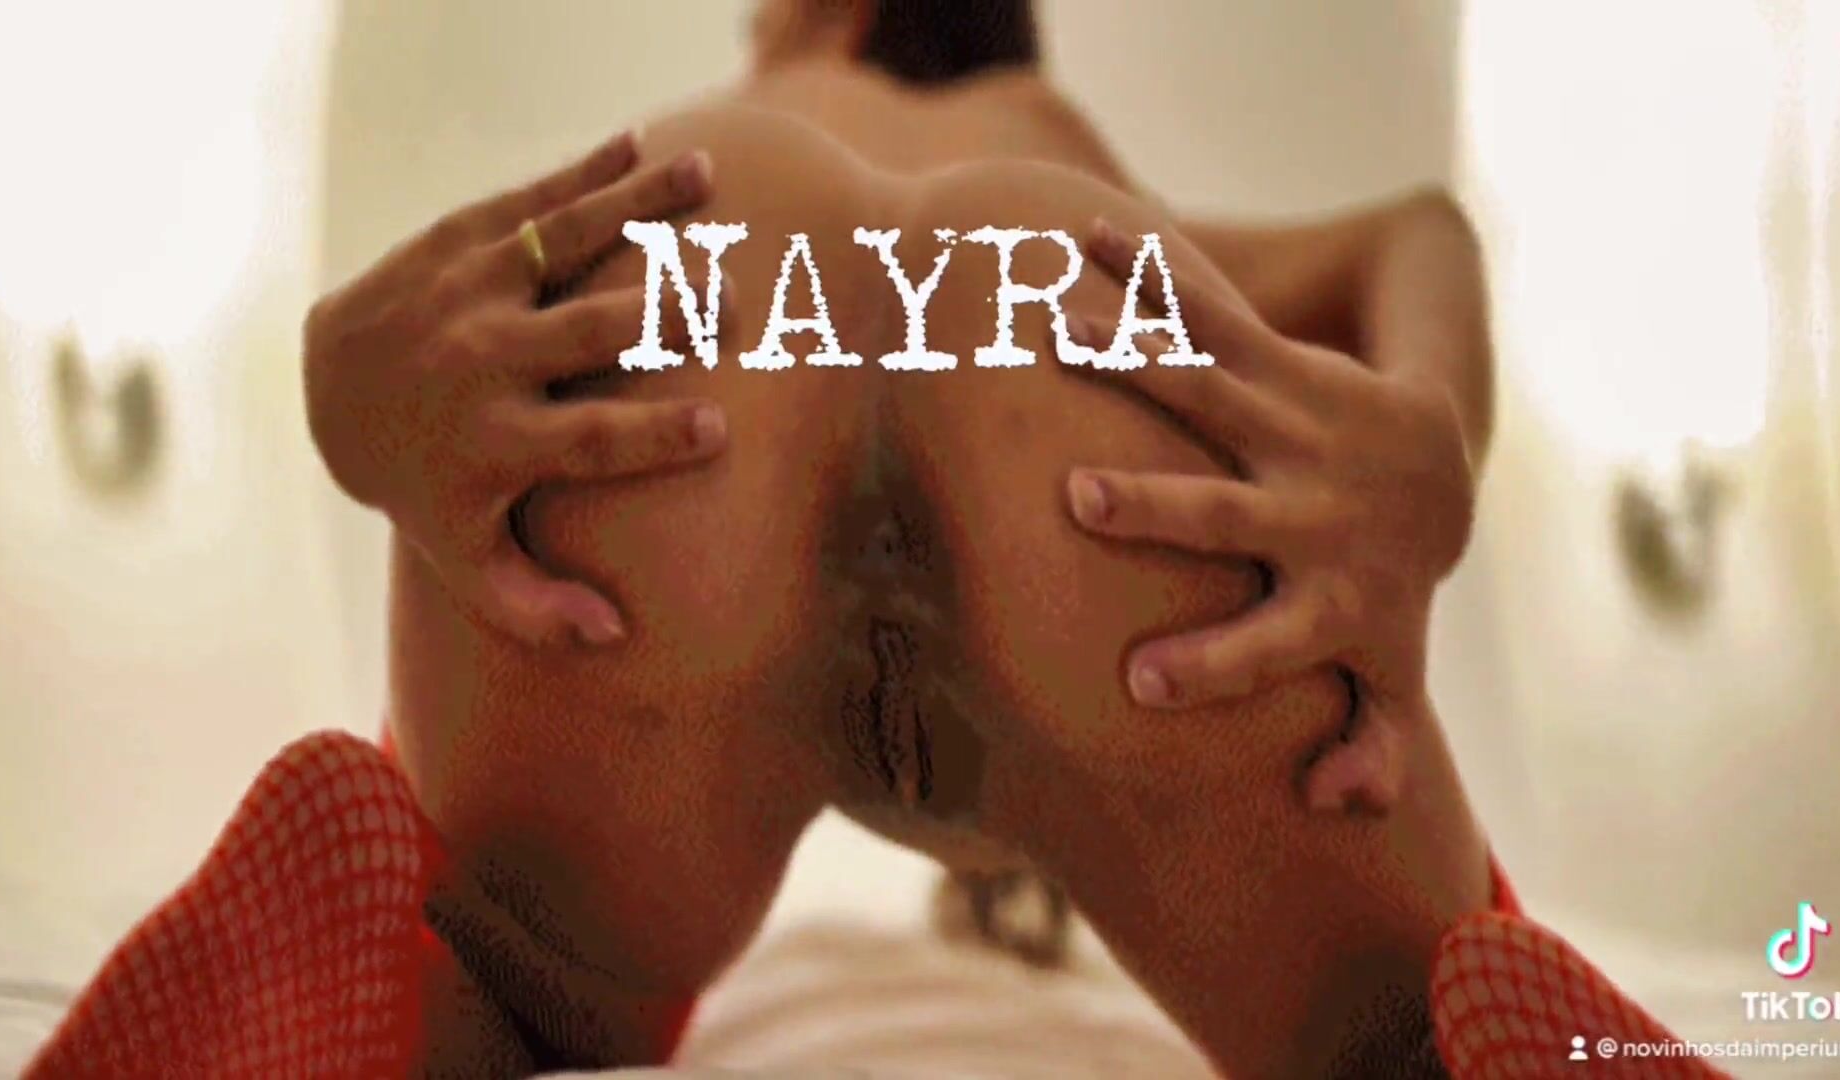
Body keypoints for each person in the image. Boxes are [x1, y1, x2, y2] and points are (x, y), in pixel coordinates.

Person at [301, 0, 1496, 1074]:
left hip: (717, 267)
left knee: (508, 970)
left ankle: (407, 982)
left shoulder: (742, 123)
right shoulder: (1041, 139)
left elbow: (454, 311)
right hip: (1046, 309)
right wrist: (1429, 435)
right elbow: (1422, 229)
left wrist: (344, 383)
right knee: (1411, 1034)